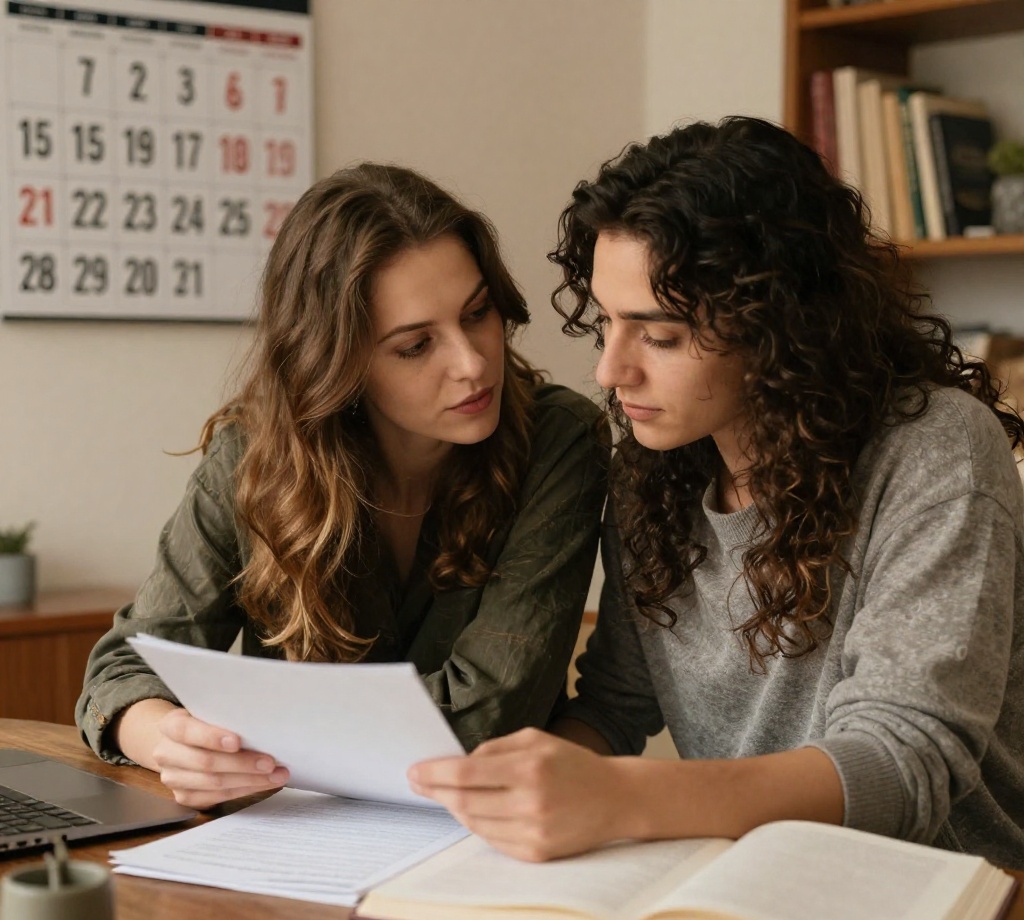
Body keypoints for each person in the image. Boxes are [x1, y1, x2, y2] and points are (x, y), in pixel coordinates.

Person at [408, 116, 1024, 880]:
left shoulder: (935, 449)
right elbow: (614, 705)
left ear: (779, 327)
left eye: (657, 336)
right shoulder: (654, 469)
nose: (609, 371)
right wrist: (481, 799)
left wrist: (628, 799)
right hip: (746, 893)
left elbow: (901, 762)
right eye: (606, 323)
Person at [77, 163, 608, 810]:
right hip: (288, 849)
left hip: (480, 838)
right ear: (337, 361)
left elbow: (486, 717)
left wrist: (264, 742)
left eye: (478, 314)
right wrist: (169, 739)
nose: (471, 364)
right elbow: (123, 670)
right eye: (415, 346)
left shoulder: (560, 440)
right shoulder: (254, 454)